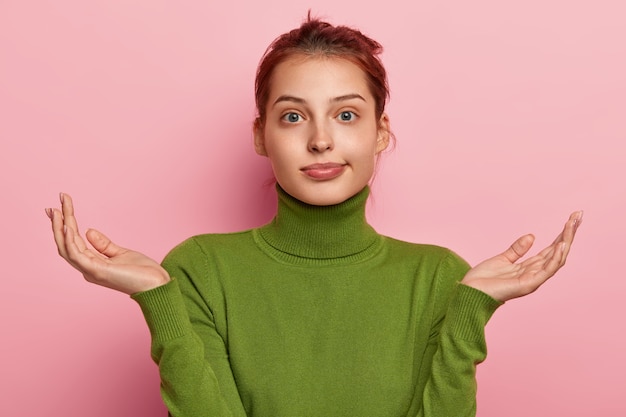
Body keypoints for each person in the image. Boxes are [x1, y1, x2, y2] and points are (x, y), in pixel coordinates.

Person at [45, 15, 582, 417]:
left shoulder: (440, 277)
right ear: (261, 135)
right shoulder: (199, 268)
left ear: (381, 132)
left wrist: (472, 309)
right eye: (293, 116)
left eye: (346, 114)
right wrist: (156, 297)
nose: (321, 140)